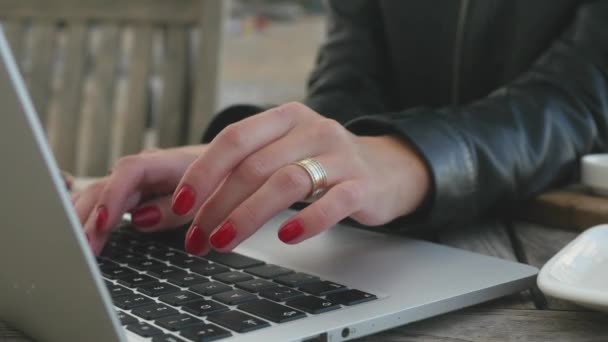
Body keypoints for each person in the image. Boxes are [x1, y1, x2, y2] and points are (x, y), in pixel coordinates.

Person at [75, 0, 608, 256]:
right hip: (373, 248)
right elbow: (347, 84)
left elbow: (578, 99)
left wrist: (410, 159)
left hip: (560, 242)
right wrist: (252, 156)